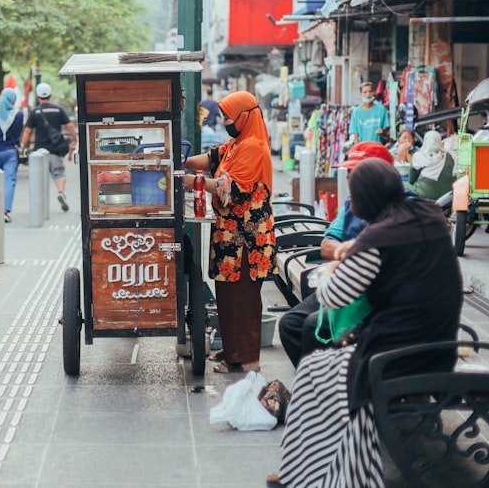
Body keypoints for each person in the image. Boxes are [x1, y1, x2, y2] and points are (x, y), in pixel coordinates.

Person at [269, 158, 463, 487]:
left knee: (314, 375)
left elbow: (333, 296)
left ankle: (311, 472)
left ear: (366, 198)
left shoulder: (379, 237)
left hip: (395, 357)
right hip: (439, 346)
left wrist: (331, 269)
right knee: (322, 365)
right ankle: (327, 461)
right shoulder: (429, 215)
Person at [277, 141, 394, 368]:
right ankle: (316, 385)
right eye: (348, 173)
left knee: (314, 326)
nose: (349, 179)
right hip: (348, 280)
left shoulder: (401, 207)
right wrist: (345, 250)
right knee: (291, 324)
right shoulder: (353, 203)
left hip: (375, 293)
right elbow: (326, 245)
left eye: (354, 173)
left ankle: (330, 385)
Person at [182, 91, 276, 374]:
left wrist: (190, 182)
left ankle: (247, 359)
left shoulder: (253, 147)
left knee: (243, 300)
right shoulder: (237, 144)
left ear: (245, 116)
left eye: (228, 116)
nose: (225, 122)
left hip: (248, 239)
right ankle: (234, 350)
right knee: (228, 296)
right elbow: (211, 159)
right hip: (230, 236)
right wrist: (179, 160)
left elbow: (230, 188)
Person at [21, 82, 77, 212]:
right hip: (55, 150)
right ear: (50, 95)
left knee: (39, 178)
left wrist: (22, 146)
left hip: (39, 152)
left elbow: (28, 131)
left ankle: (39, 204)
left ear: (38, 96)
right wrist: (75, 139)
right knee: (59, 174)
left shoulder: (35, 112)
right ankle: (61, 193)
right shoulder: (58, 110)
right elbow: (69, 126)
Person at [0, 87, 24, 223]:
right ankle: (4, 210)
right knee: (9, 181)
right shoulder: (19, 115)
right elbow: (19, 134)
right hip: (10, 152)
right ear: (13, 101)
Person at [408, 129, 456, 201]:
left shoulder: (418, 156)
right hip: (447, 196)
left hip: (423, 195)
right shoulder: (448, 156)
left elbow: (411, 180)